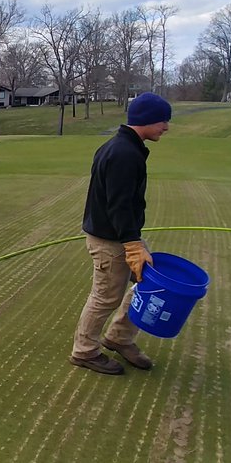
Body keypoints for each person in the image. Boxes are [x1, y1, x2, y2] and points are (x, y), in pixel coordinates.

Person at [70, 92, 172, 376]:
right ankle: (84, 351)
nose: (166, 127)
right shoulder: (123, 153)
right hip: (111, 240)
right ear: (148, 120)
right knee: (105, 298)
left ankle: (119, 338)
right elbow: (119, 205)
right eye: (163, 120)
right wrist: (132, 246)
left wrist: (134, 243)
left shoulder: (126, 148)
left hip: (124, 237)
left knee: (150, 285)